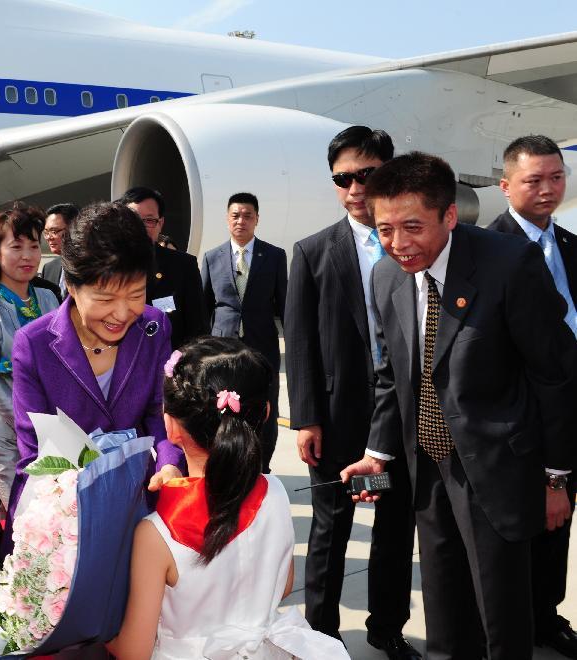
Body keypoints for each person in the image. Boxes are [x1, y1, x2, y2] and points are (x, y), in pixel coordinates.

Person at [341, 151, 576, 659]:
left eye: (412, 227)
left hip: (497, 469)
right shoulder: (387, 277)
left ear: (449, 215)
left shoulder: (508, 265)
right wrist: (377, 456)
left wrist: (556, 478)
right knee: (445, 616)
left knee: (501, 619)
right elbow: (393, 378)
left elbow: (554, 374)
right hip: (427, 469)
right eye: (384, 230)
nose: (399, 245)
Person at [106, 336, 348, 660]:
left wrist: (89, 625)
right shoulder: (274, 492)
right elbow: (285, 585)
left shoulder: (157, 532)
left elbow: (133, 651)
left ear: (171, 427)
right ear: (264, 413)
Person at [284, 127, 418, 657]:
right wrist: (307, 420)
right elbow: (299, 344)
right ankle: (322, 633)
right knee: (330, 529)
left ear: (388, 170)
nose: (355, 187)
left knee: (394, 526)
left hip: (401, 414)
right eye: (343, 178)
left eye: (365, 174)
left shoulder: (415, 244)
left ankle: (387, 628)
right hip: (339, 418)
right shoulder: (313, 252)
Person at [8, 202, 185, 526]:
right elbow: (36, 450)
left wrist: (170, 464)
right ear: (73, 287)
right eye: (105, 299)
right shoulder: (35, 345)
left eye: (135, 294)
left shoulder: (153, 327)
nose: (122, 313)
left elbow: (161, 413)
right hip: (61, 515)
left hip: (138, 503)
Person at [487, 134, 577, 657]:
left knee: (559, 520)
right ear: (505, 187)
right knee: (516, 528)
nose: (548, 189)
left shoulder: (566, 245)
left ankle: (547, 614)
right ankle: (512, 621)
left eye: (556, 177)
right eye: (533, 180)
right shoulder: (487, 249)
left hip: (566, 410)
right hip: (517, 417)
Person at [0, 206, 59, 515]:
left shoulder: (48, 299)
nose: (28, 255)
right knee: (26, 522)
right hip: (5, 432)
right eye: (16, 246)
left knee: (60, 521)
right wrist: (29, 424)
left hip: (54, 431)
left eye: (33, 246)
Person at [201, 192, 287, 472]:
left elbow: (284, 305)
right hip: (223, 351)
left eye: (247, 215)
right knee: (222, 411)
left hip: (262, 350)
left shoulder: (274, 256)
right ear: (227, 219)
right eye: (235, 215)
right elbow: (204, 307)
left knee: (265, 411)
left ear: (257, 219)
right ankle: (228, 466)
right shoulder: (212, 257)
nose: (241, 221)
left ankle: (262, 468)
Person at [121, 186, 207, 350]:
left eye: (149, 220)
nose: (140, 227)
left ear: (160, 223)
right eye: (133, 219)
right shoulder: (107, 265)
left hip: (169, 366)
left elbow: (198, 329)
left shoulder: (183, 265)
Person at [41, 202, 79, 298]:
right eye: (46, 232)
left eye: (54, 231)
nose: (49, 237)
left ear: (73, 229)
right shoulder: (49, 268)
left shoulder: (92, 266)